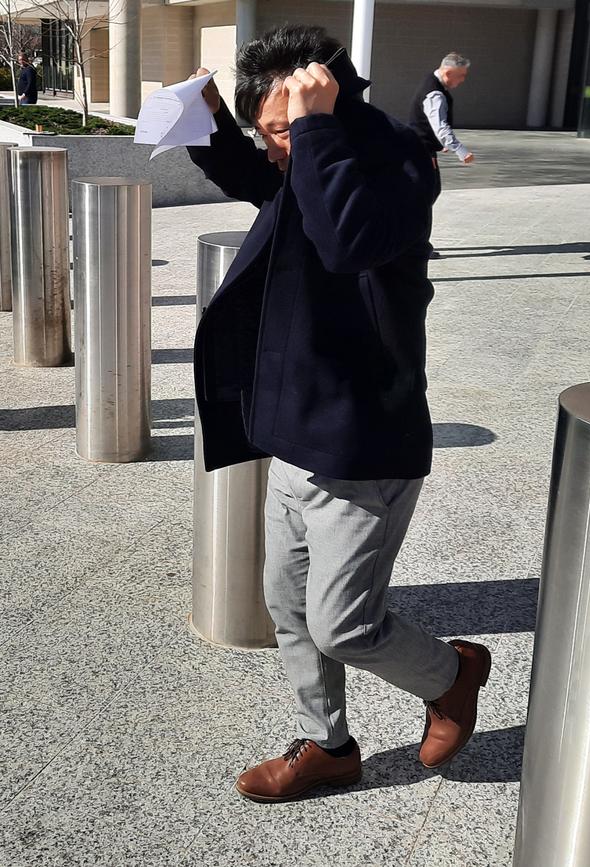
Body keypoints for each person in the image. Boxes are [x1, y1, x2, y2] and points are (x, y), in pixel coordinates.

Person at [187, 25, 491, 803]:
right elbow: (267, 182)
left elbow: (346, 236)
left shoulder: (392, 156)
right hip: (295, 427)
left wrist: (314, 129)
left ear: (326, 91)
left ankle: (453, 674)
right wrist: (212, 117)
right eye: (270, 133)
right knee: (289, 608)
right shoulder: (308, 150)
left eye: (282, 129)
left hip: (364, 439)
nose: (276, 148)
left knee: (344, 624)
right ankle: (328, 746)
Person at [409, 52, 472, 258]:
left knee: (427, 194)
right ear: (448, 72)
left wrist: (439, 144)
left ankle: (416, 242)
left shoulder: (433, 85)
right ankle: (419, 245)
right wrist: (460, 150)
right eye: (461, 76)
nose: (463, 80)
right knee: (426, 195)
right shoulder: (435, 93)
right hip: (422, 150)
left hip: (424, 147)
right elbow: (441, 127)